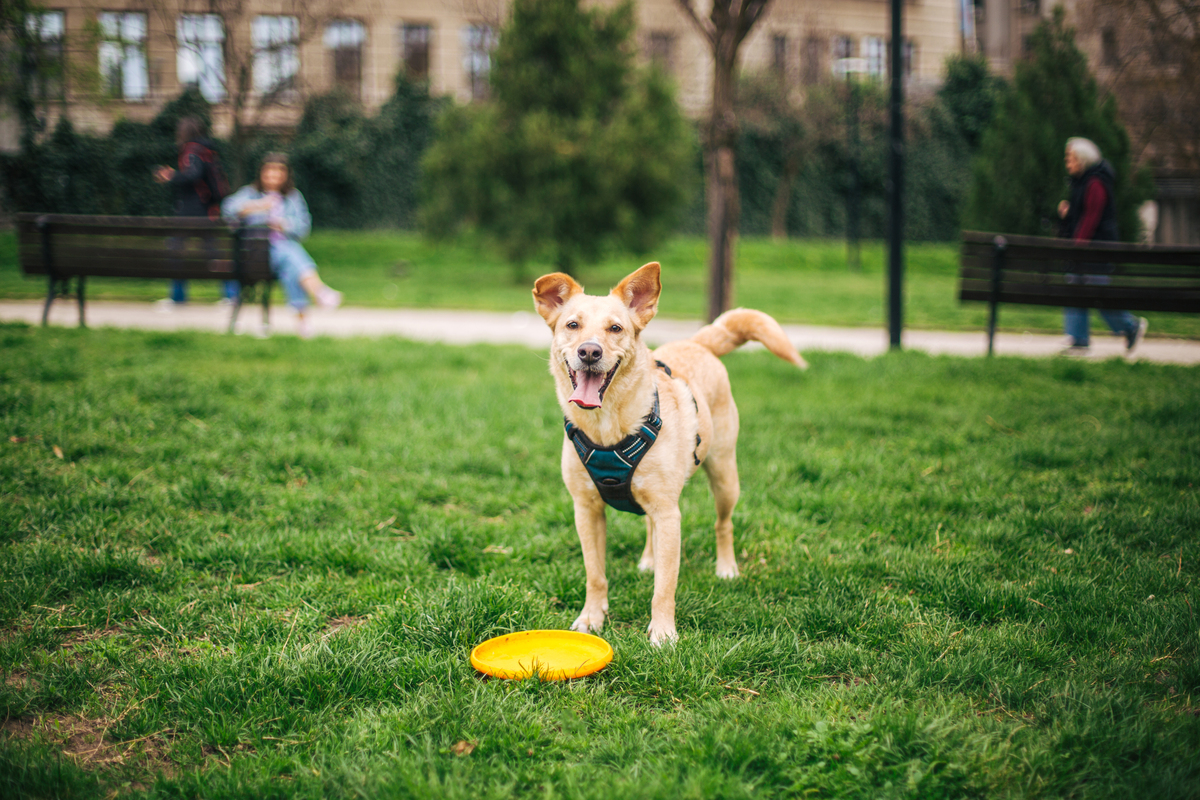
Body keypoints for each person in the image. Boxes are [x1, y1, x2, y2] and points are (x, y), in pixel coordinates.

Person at [221, 153, 342, 338]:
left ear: (286, 175)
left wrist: (284, 225)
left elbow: (303, 228)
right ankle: (318, 294)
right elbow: (228, 208)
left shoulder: (293, 197)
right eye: (269, 170)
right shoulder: (250, 193)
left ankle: (306, 321)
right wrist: (258, 206)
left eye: (278, 171)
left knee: (291, 266)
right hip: (255, 255)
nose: (273, 175)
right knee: (290, 254)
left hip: (281, 257)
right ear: (261, 172)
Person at [1057, 137, 1148, 356]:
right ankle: (1079, 340)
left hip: (1095, 251)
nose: (1067, 162)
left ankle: (1130, 325)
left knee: (1098, 293)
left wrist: (1077, 247)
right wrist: (1068, 213)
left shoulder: (1095, 183)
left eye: (1071, 158)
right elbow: (1081, 216)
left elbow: (1091, 219)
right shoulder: (1082, 182)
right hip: (1087, 250)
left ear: (1082, 159)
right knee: (1075, 288)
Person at [153, 115, 236, 307]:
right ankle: (231, 295)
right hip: (208, 209)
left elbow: (193, 175)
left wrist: (171, 176)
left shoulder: (191, 150)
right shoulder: (207, 150)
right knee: (213, 253)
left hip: (190, 210)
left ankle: (177, 297)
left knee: (175, 250)